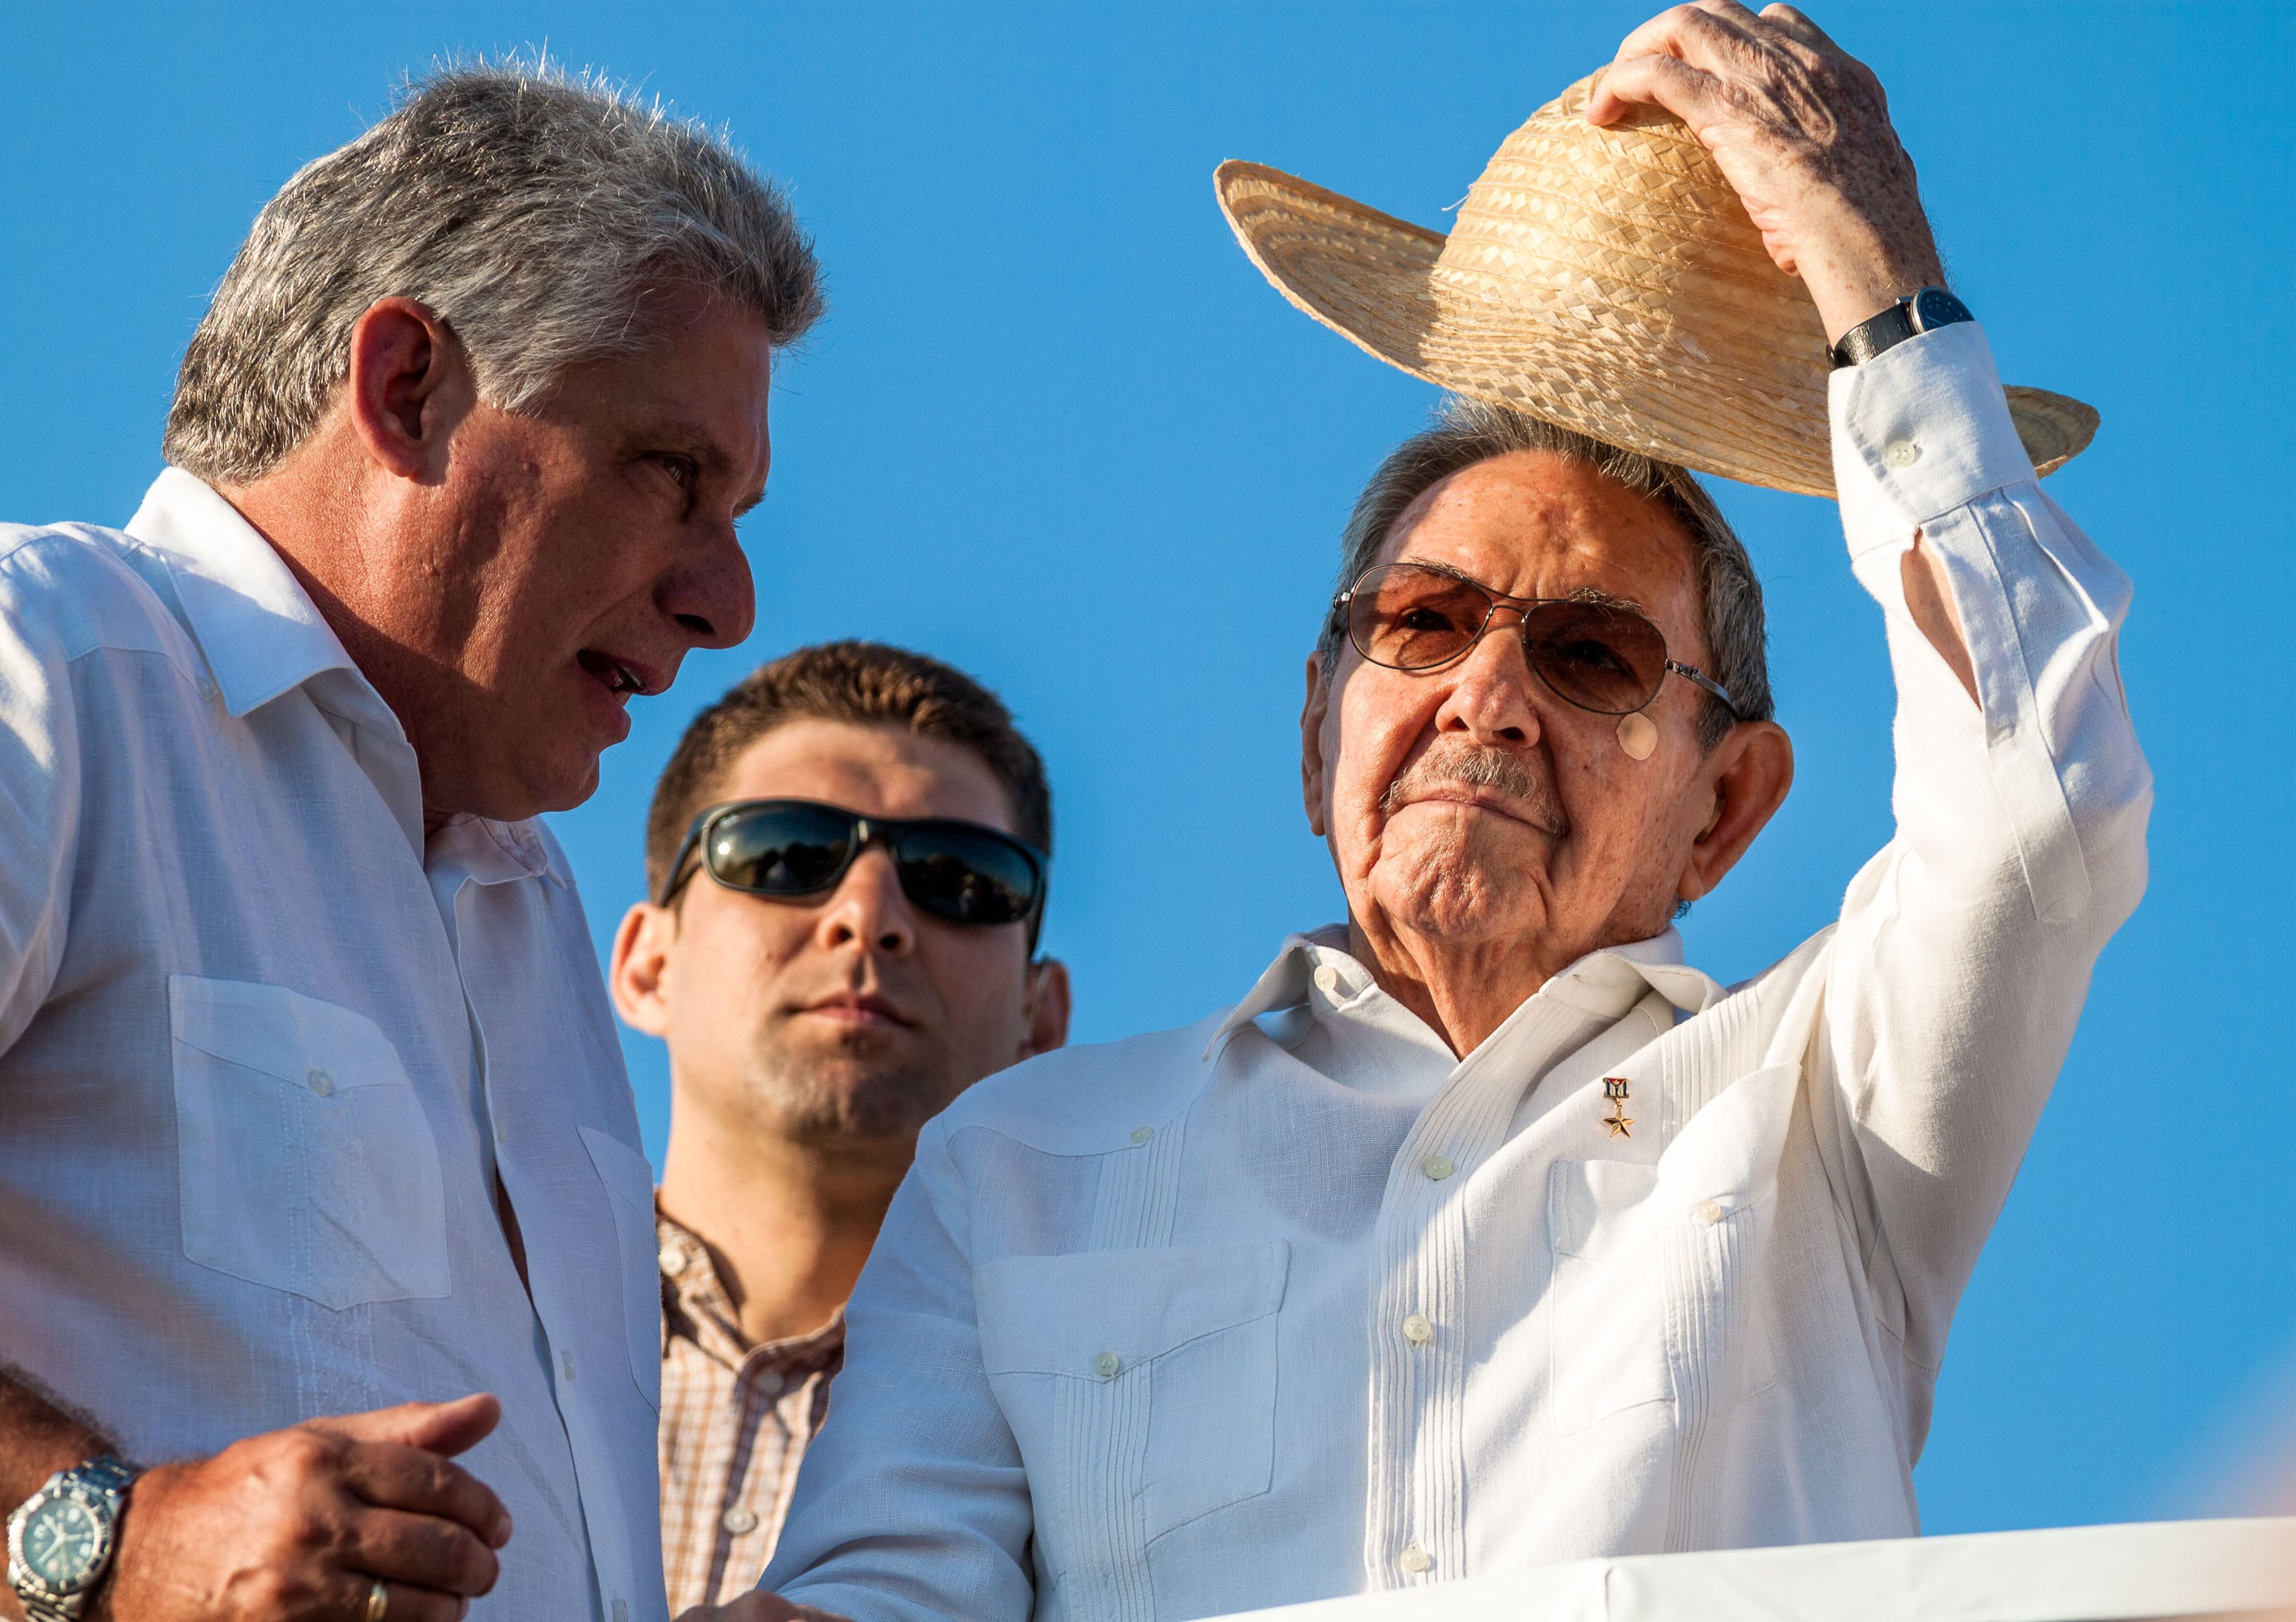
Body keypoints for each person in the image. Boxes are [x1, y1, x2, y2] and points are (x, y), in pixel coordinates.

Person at [702, 6, 2152, 1620]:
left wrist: (1871, 277)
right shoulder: (1020, 1164)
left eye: (1592, 657)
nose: (1488, 696)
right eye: (1424, 623)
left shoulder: (1829, 1109)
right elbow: (884, 1595)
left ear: (1725, 805)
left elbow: (2033, 810)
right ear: (1319, 723)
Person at [0, 62, 819, 1622]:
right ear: (405, 388)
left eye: (739, 513)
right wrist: (113, 1539)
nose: (729, 604)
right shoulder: (29, 655)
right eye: (670, 475)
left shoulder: (528, 908)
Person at [605, 642, 1072, 1615]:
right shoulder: (456, 1310)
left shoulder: (1102, 1413)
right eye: (785, 852)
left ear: (1043, 1019)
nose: (868, 915)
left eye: (958, 875)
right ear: (649, 963)